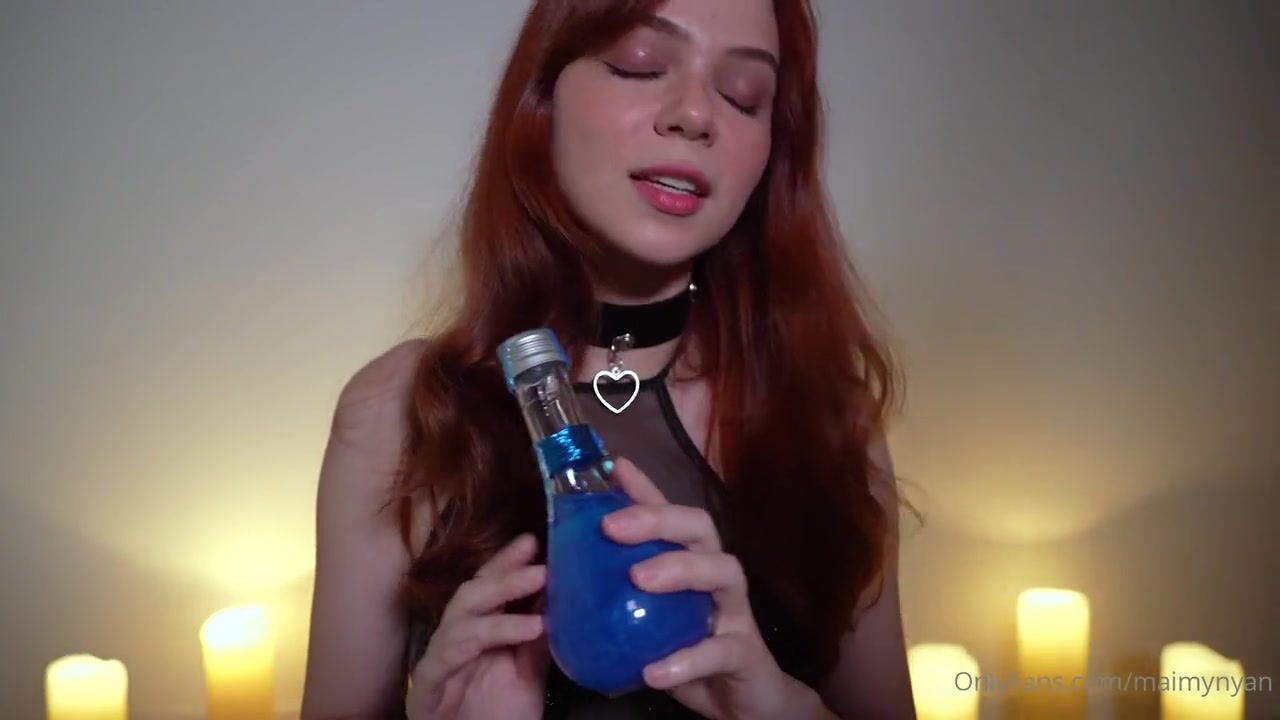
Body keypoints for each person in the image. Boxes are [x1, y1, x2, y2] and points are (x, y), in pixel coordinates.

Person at [301, 0, 918, 718]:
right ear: (543, 101)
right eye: (640, 66)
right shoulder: (399, 414)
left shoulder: (826, 417)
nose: (696, 115)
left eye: (743, 96)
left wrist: (784, 709)